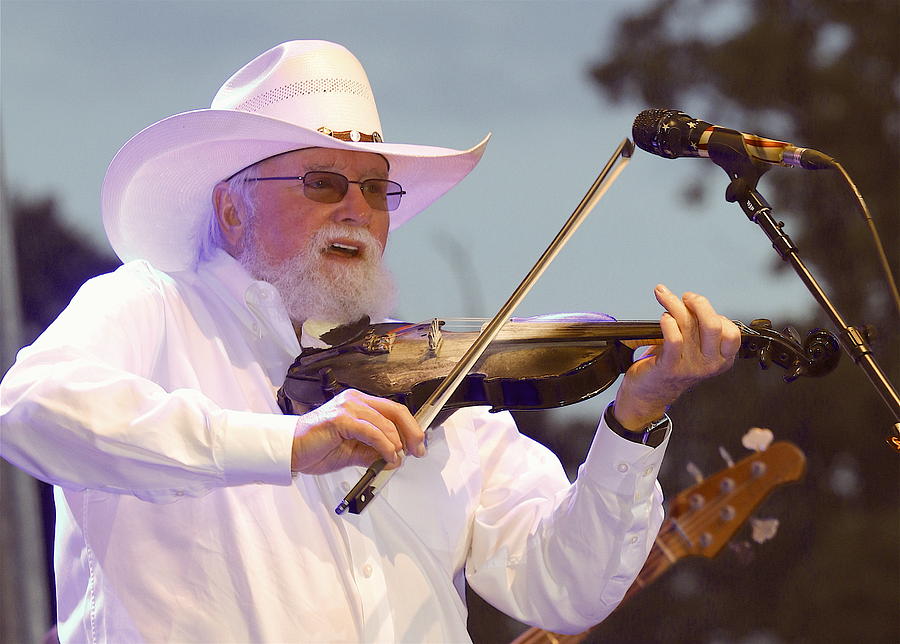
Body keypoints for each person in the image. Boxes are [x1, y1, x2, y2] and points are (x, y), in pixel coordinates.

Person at [0, 41, 740, 643]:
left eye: (375, 188)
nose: (356, 210)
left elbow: (566, 588)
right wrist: (283, 445)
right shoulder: (151, 307)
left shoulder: (430, 375)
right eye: (322, 182)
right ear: (231, 210)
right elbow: (27, 410)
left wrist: (635, 421)